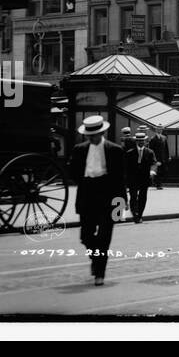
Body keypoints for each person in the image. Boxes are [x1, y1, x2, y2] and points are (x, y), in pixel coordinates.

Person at [68, 115, 127, 286]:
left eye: (93, 136)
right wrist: (84, 182)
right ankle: (95, 259)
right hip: (87, 194)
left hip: (108, 195)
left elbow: (120, 178)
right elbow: (73, 171)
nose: (91, 138)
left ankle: (100, 273)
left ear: (102, 133)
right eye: (88, 136)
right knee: (85, 236)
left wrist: (122, 203)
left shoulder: (114, 150)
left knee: (104, 237)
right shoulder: (79, 149)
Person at [125, 131, 156, 223]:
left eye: (142, 140)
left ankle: (140, 214)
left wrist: (152, 171)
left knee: (143, 197)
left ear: (145, 141)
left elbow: (154, 163)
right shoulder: (130, 153)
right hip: (133, 178)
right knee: (133, 196)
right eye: (139, 141)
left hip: (144, 178)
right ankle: (135, 214)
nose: (141, 142)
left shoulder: (150, 152)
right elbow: (125, 166)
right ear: (136, 141)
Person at [148, 125, 169, 189]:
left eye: (161, 129)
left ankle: (157, 183)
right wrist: (153, 159)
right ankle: (158, 185)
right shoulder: (153, 138)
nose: (160, 130)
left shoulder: (164, 137)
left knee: (163, 171)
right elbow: (151, 150)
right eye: (158, 129)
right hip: (156, 158)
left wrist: (167, 156)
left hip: (163, 157)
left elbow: (166, 148)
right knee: (158, 171)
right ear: (156, 130)